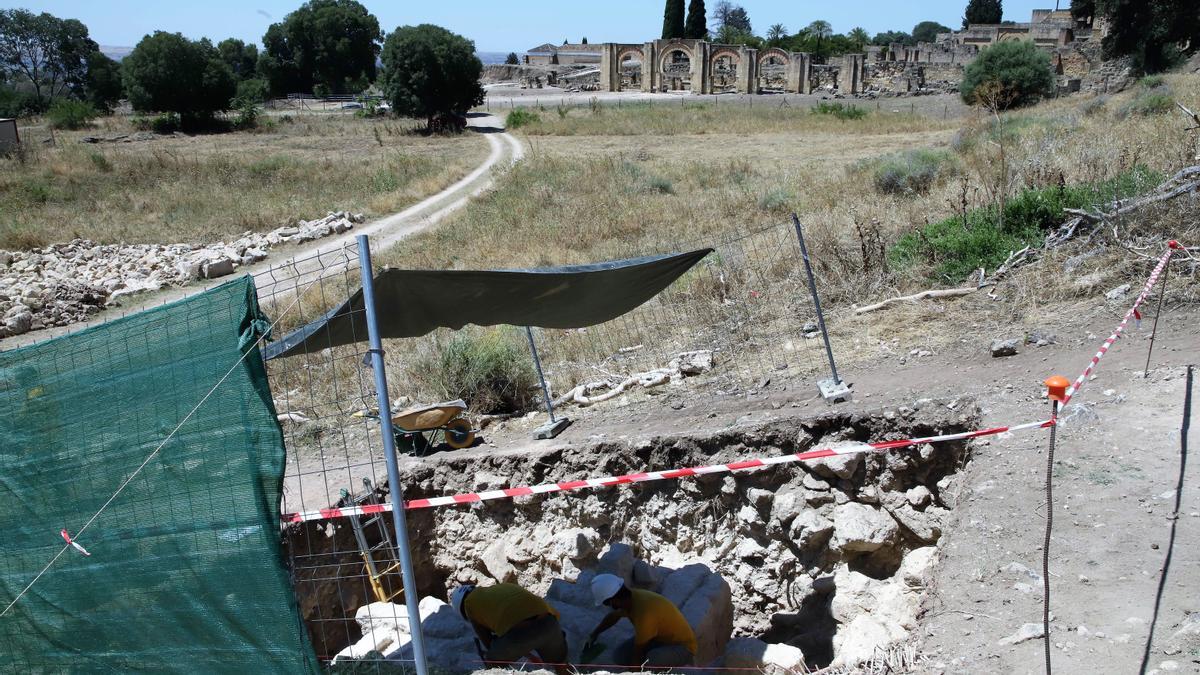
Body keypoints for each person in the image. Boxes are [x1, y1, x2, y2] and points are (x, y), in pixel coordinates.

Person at [451, 583, 570, 675]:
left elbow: (490, 644)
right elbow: (524, 620)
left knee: (493, 661)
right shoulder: (502, 588)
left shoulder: (469, 604)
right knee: (560, 662)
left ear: (461, 610)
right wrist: (529, 654)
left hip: (520, 633)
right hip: (549, 623)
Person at [585, 573, 697, 669]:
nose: (609, 606)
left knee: (652, 660)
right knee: (619, 656)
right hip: (658, 638)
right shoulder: (629, 599)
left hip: (682, 647)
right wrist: (594, 634)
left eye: (607, 603)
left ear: (614, 601)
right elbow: (613, 617)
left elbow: (637, 653)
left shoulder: (645, 613)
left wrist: (634, 671)